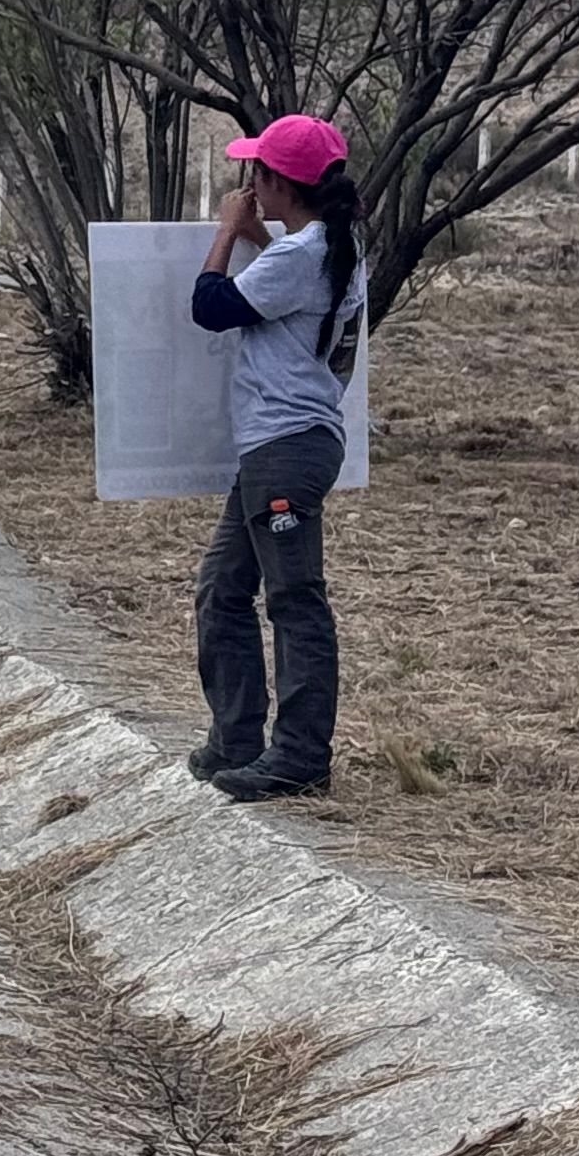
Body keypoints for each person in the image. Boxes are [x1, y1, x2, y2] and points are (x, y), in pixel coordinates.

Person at [187, 115, 362, 803]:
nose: (248, 184)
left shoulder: (302, 256)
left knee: (293, 599)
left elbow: (211, 306)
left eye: (255, 173)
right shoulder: (332, 246)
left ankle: (299, 754)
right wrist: (258, 235)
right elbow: (285, 281)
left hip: (283, 448)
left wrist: (227, 229)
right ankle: (237, 740)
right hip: (283, 446)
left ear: (275, 183)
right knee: (222, 589)